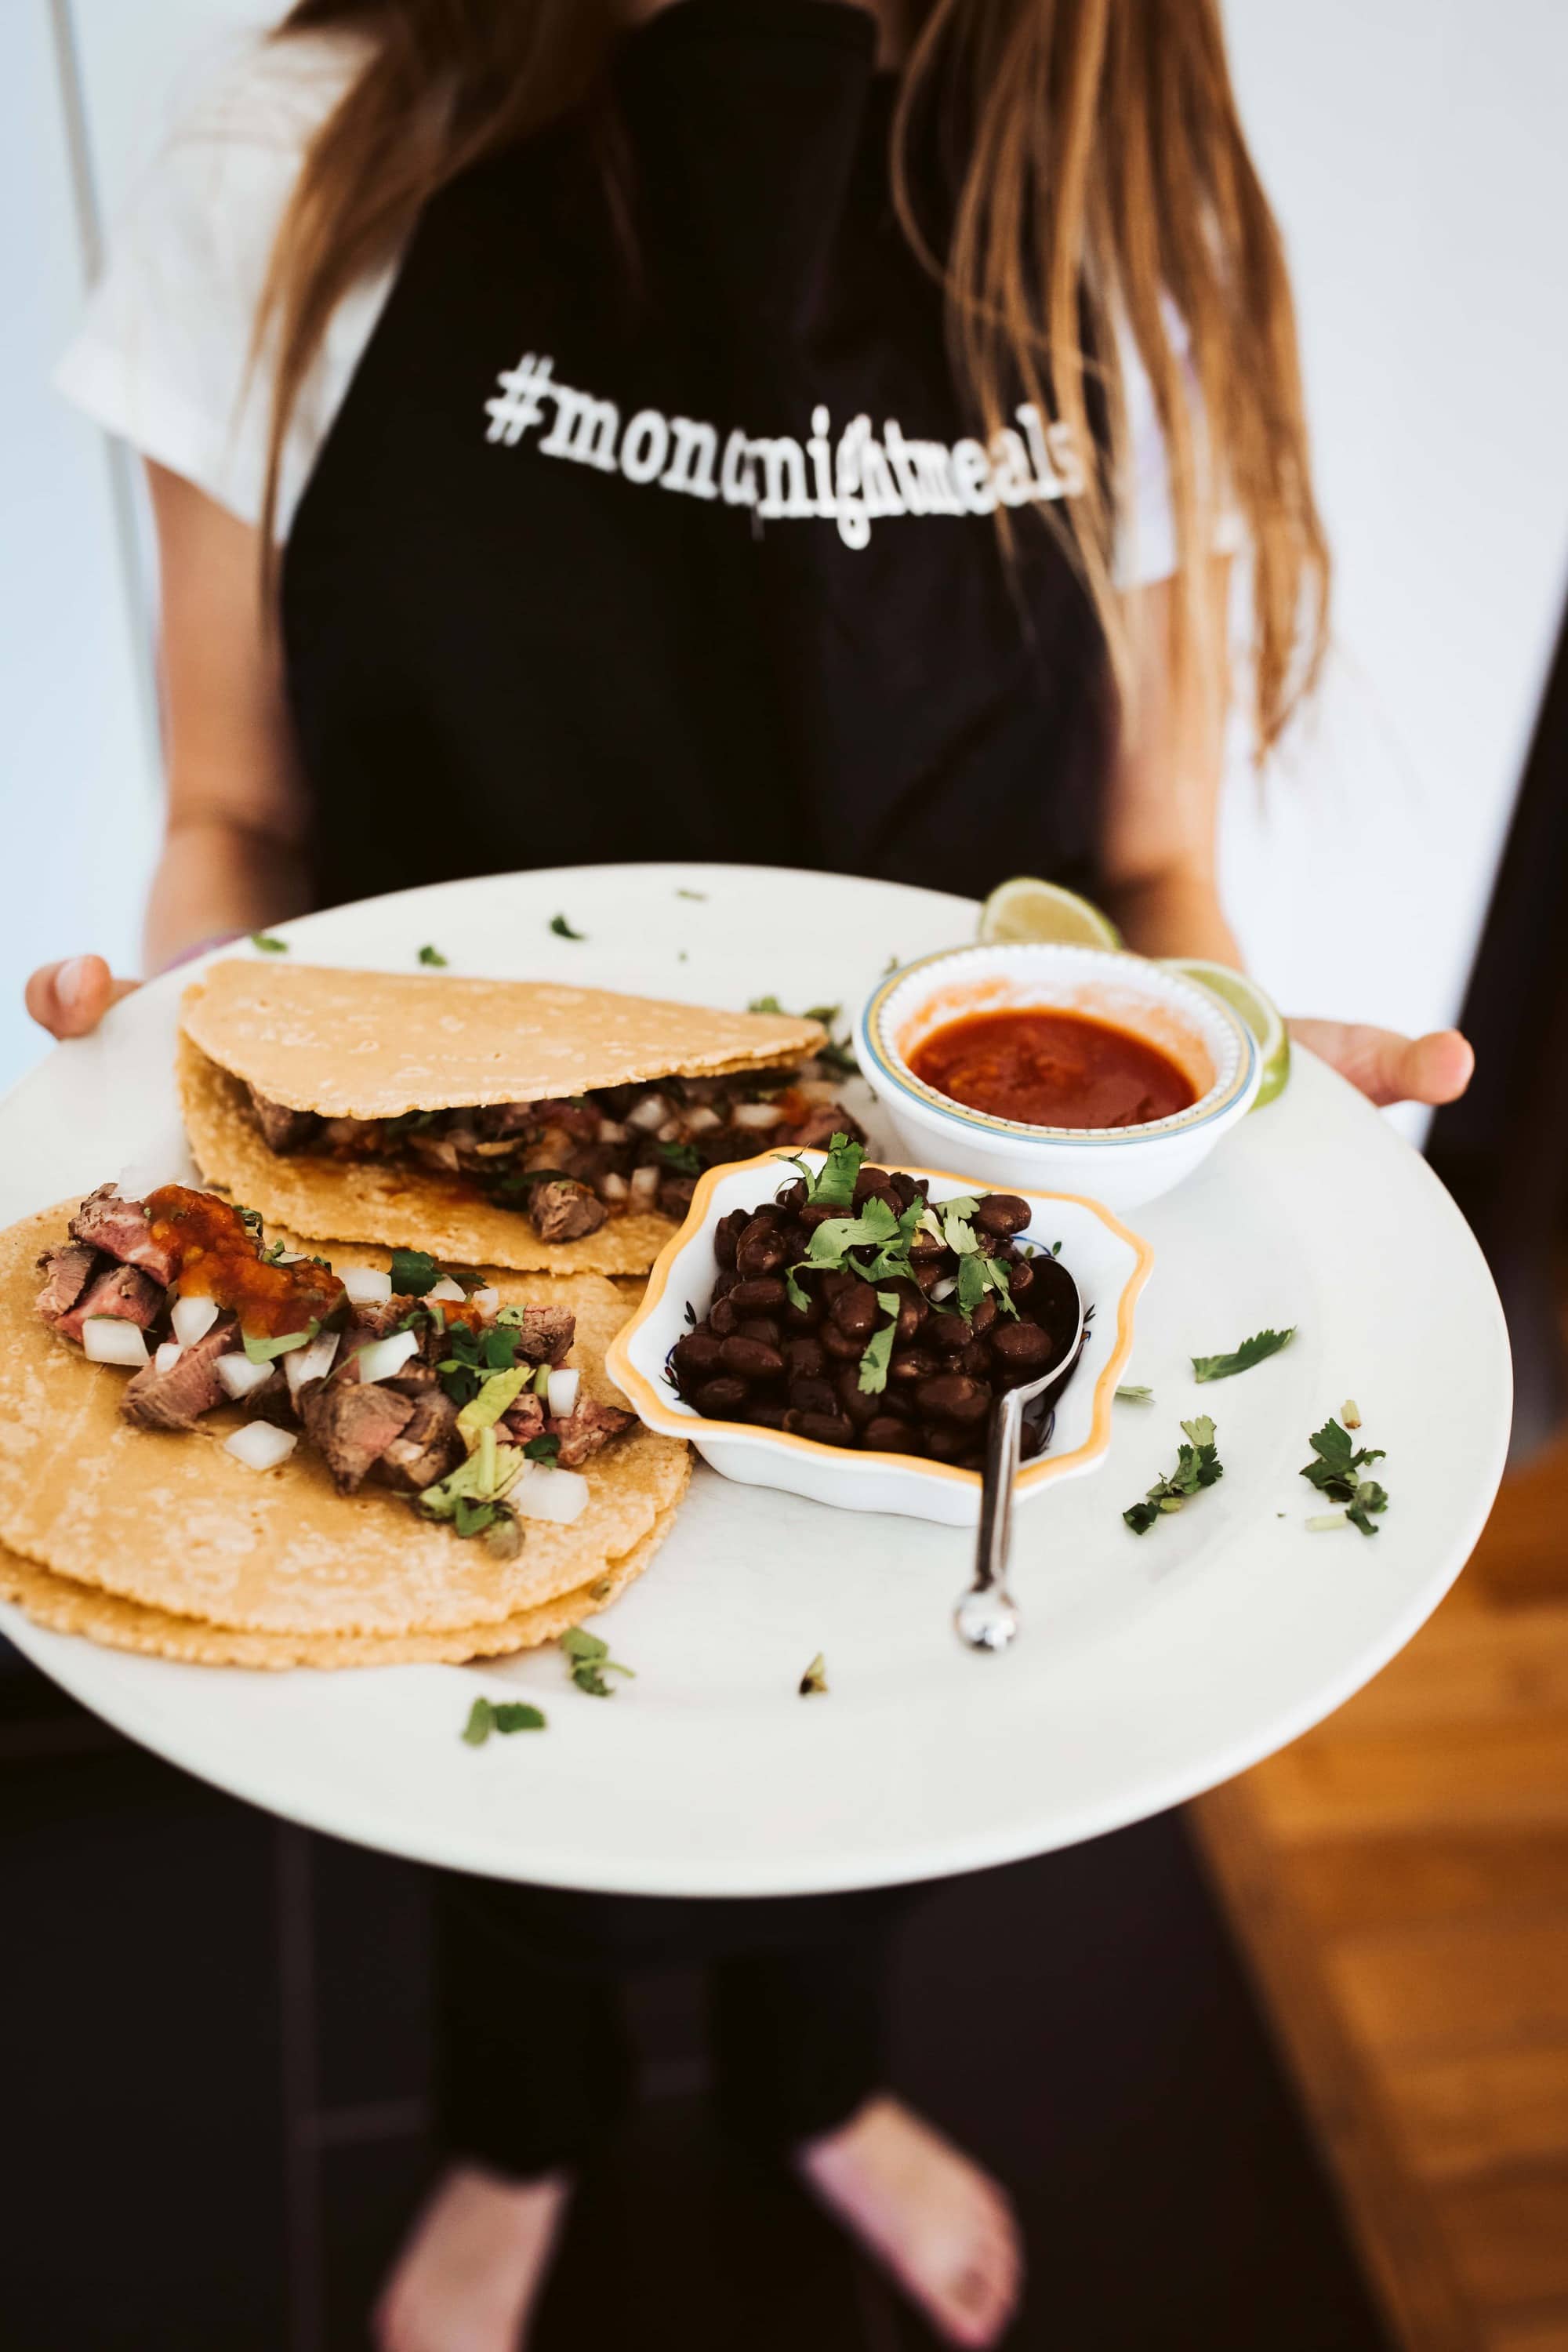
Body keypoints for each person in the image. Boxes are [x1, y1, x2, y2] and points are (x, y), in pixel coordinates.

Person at [32, 2, 1473, 2347]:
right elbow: (244, 821)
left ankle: (822, 2087)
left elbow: (1151, 870)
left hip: (917, 1286)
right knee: (487, 1794)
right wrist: (163, 1102)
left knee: (885, 1750)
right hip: (451, 1273)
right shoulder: (302, 152)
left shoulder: (1130, 217)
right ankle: (515, 2131)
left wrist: (1208, 1073)